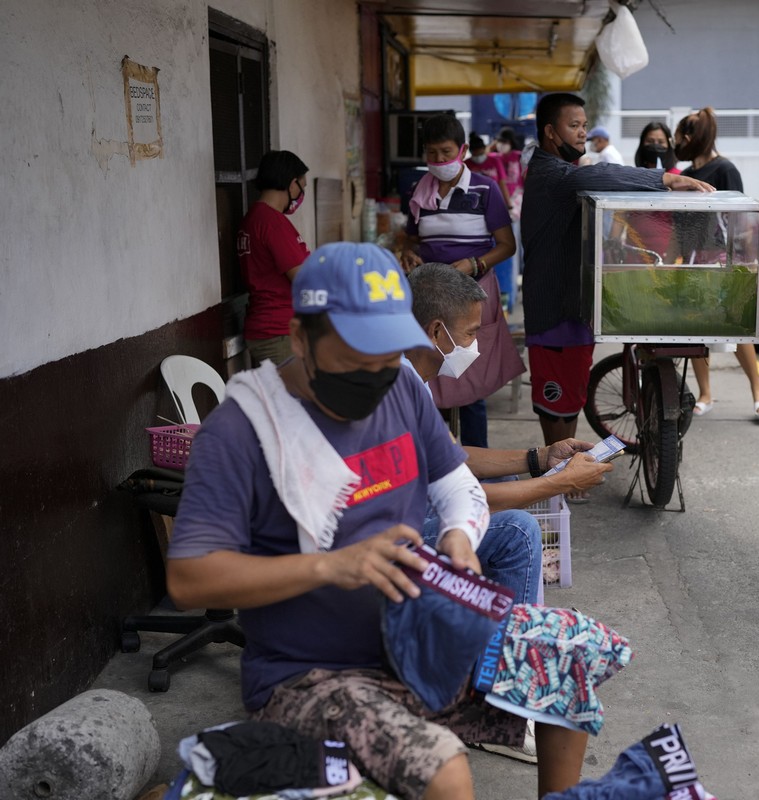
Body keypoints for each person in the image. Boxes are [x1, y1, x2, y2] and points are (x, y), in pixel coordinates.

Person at [166, 242, 589, 797]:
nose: (375, 376)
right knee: (443, 768)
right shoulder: (241, 431)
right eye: (356, 359)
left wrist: (461, 538)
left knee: (562, 664)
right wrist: (330, 566)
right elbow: (189, 578)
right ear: (300, 339)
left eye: (388, 357)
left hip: (417, 637)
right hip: (311, 674)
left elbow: (455, 480)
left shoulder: (399, 390)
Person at [406, 262, 612, 766]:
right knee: (519, 531)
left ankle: (498, 682)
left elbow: (454, 461)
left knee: (509, 507)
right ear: (437, 331)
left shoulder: (411, 378)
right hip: (386, 537)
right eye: (472, 332)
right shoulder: (402, 385)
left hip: (403, 521)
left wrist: (538, 459)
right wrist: (554, 483)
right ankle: (506, 701)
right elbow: (450, 486)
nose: (477, 344)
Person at [520, 92, 712, 454]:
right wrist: (667, 181)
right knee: (553, 397)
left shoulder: (564, 171)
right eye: (573, 126)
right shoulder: (550, 172)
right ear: (550, 131)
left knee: (572, 392)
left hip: (573, 303)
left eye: (584, 126)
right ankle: (556, 469)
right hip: (552, 306)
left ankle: (565, 463)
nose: (581, 133)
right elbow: (602, 173)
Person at [400, 114, 523, 449]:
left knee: (468, 381)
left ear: (463, 150)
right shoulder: (418, 193)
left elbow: (507, 246)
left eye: (446, 152)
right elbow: (409, 239)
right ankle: (436, 454)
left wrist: (474, 263)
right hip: (429, 295)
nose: (439, 160)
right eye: (432, 153)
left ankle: (478, 464)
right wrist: (409, 254)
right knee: (428, 374)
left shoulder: (486, 189)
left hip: (471, 294)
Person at [676, 107, 759, 419]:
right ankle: (705, 393)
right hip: (692, 261)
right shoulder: (685, 176)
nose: (675, 142)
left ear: (690, 137)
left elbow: (740, 218)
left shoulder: (725, 169)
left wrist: (744, 262)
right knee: (695, 328)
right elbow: (678, 227)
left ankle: (757, 389)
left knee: (734, 326)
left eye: (678, 136)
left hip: (722, 260)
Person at [237, 150, 310, 366]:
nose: (301, 195)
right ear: (291, 183)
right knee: (292, 399)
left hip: (266, 329)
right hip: (279, 332)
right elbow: (302, 278)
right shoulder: (272, 222)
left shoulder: (252, 219)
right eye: (302, 187)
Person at [466, 132, 512, 209]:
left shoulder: (495, 162)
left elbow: (502, 184)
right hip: (473, 202)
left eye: (480, 154)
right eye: (475, 155)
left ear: (484, 149)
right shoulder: (466, 164)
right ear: (470, 152)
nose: (478, 157)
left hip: (494, 200)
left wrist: (508, 203)